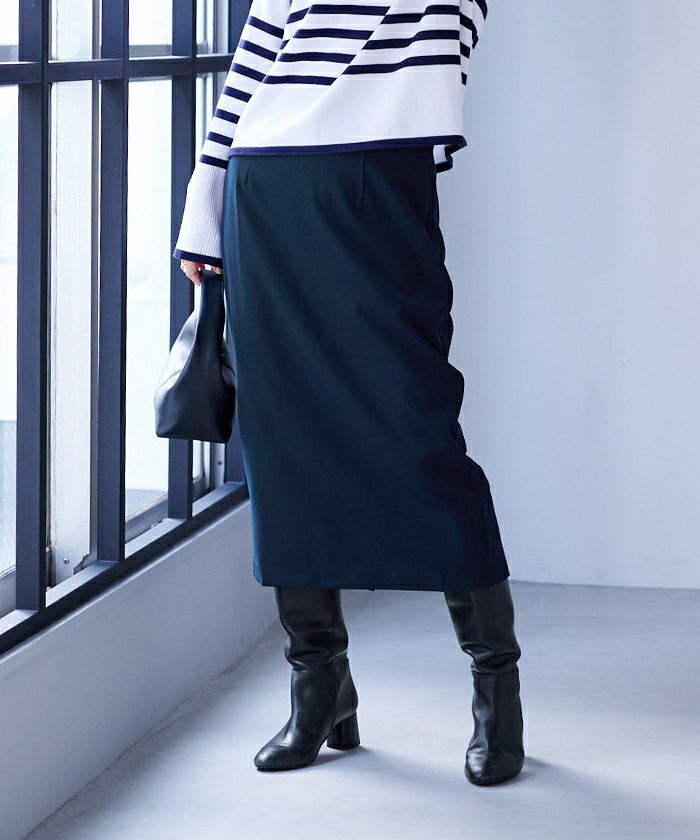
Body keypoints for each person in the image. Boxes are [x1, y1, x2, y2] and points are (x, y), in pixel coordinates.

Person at [174, 0, 524, 785]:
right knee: (284, 446)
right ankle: (319, 683)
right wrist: (205, 212)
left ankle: (497, 689)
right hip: (266, 185)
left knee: (422, 439)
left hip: (380, 179)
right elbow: (255, 59)